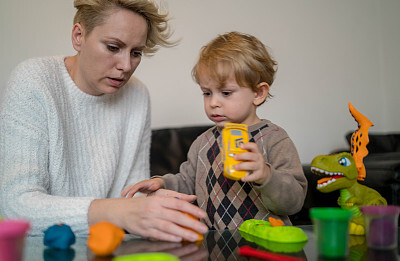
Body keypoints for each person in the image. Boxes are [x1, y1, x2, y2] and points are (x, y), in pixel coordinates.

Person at [0, 0, 208, 242]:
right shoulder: (34, 81)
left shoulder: (137, 94)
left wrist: (153, 203)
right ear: (78, 36)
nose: (126, 66)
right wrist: (117, 211)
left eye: (136, 53)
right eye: (112, 47)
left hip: (108, 248)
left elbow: (131, 194)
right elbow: (16, 206)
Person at [122, 32, 308, 229]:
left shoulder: (274, 139)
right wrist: (161, 182)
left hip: (266, 248)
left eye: (226, 93)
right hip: (214, 249)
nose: (213, 103)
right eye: (207, 93)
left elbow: (293, 203)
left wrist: (266, 175)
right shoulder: (202, 143)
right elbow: (186, 182)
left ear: (258, 93)